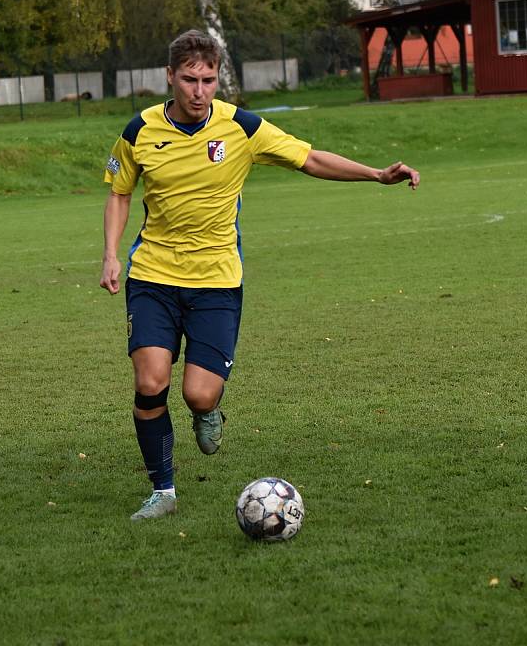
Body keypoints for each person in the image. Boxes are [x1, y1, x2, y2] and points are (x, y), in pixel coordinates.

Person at [100, 29, 419, 520]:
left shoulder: (241, 128)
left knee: (198, 392)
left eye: (208, 79)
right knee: (150, 382)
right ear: (170, 77)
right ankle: (163, 490)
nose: (199, 90)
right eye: (189, 79)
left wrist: (376, 174)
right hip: (154, 275)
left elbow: (309, 158)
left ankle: (207, 412)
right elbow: (120, 191)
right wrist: (111, 254)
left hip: (216, 281)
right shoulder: (139, 131)